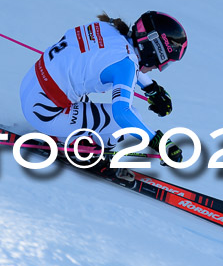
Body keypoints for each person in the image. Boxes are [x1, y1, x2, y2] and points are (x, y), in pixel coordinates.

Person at [19, 11, 187, 180]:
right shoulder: (126, 65)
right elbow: (122, 113)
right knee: (130, 120)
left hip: (31, 86)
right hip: (45, 112)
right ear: (153, 50)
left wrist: (151, 87)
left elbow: (119, 59)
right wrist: (158, 141)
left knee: (85, 100)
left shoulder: (108, 28)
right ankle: (82, 151)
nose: (157, 68)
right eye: (163, 62)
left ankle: (68, 136)